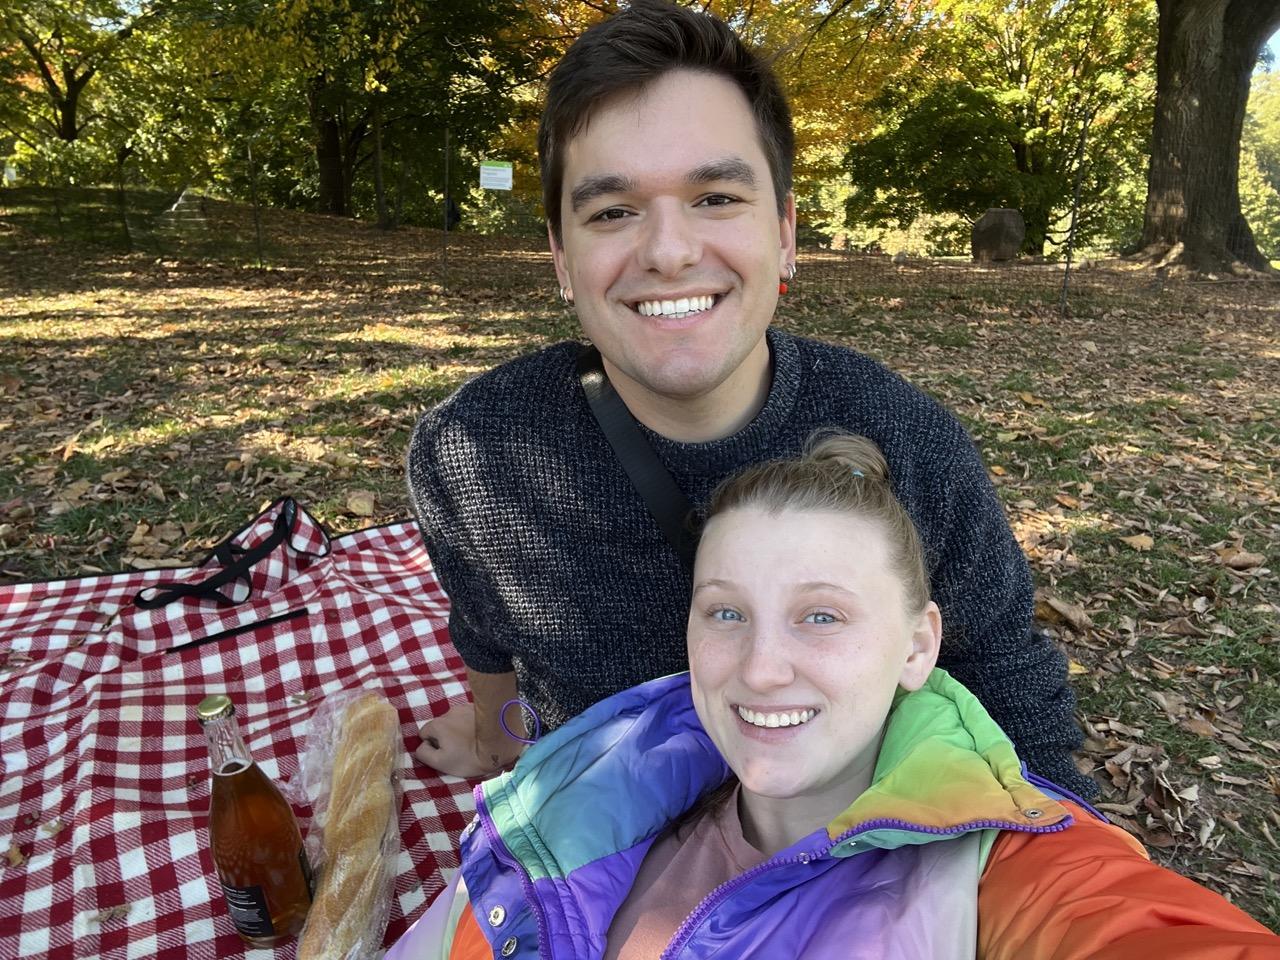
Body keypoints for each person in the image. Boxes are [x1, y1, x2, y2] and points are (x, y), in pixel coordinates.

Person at [407, 0, 1090, 796]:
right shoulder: (473, 453)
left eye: (716, 198)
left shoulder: (909, 441)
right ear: (562, 258)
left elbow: (1008, 683)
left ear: (786, 231)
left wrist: (1052, 886)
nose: (668, 251)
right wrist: (500, 744)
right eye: (613, 212)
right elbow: (491, 647)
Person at [388, 433, 1278, 959]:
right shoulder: (585, 786)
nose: (762, 667)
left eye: (821, 617)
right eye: (726, 611)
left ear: (918, 646)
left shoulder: (999, 873)